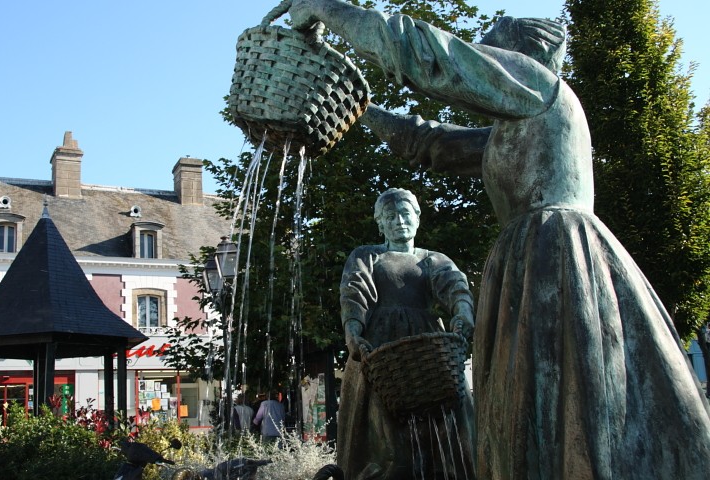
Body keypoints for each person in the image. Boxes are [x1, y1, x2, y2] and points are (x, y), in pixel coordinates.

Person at [285, 1, 710, 478]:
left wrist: (326, 8)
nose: (480, 59)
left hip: (555, 253)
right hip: (532, 255)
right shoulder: (515, 123)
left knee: (559, 395)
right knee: (533, 404)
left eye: (490, 52)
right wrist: (350, 102)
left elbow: (430, 57)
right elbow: (430, 144)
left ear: (519, 57)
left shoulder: (540, 88)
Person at [338, 188, 475, 480]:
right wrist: (353, 333)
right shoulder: (367, 256)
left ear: (417, 218)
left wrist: (463, 314)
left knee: (454, 429)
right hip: (381, 352)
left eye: (405, 214)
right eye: (390, 216)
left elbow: (456, 287)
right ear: (380, 223)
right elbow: (354, 296)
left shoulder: (432, 260)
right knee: (388, 442)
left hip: (428, 353)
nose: (399, 221)